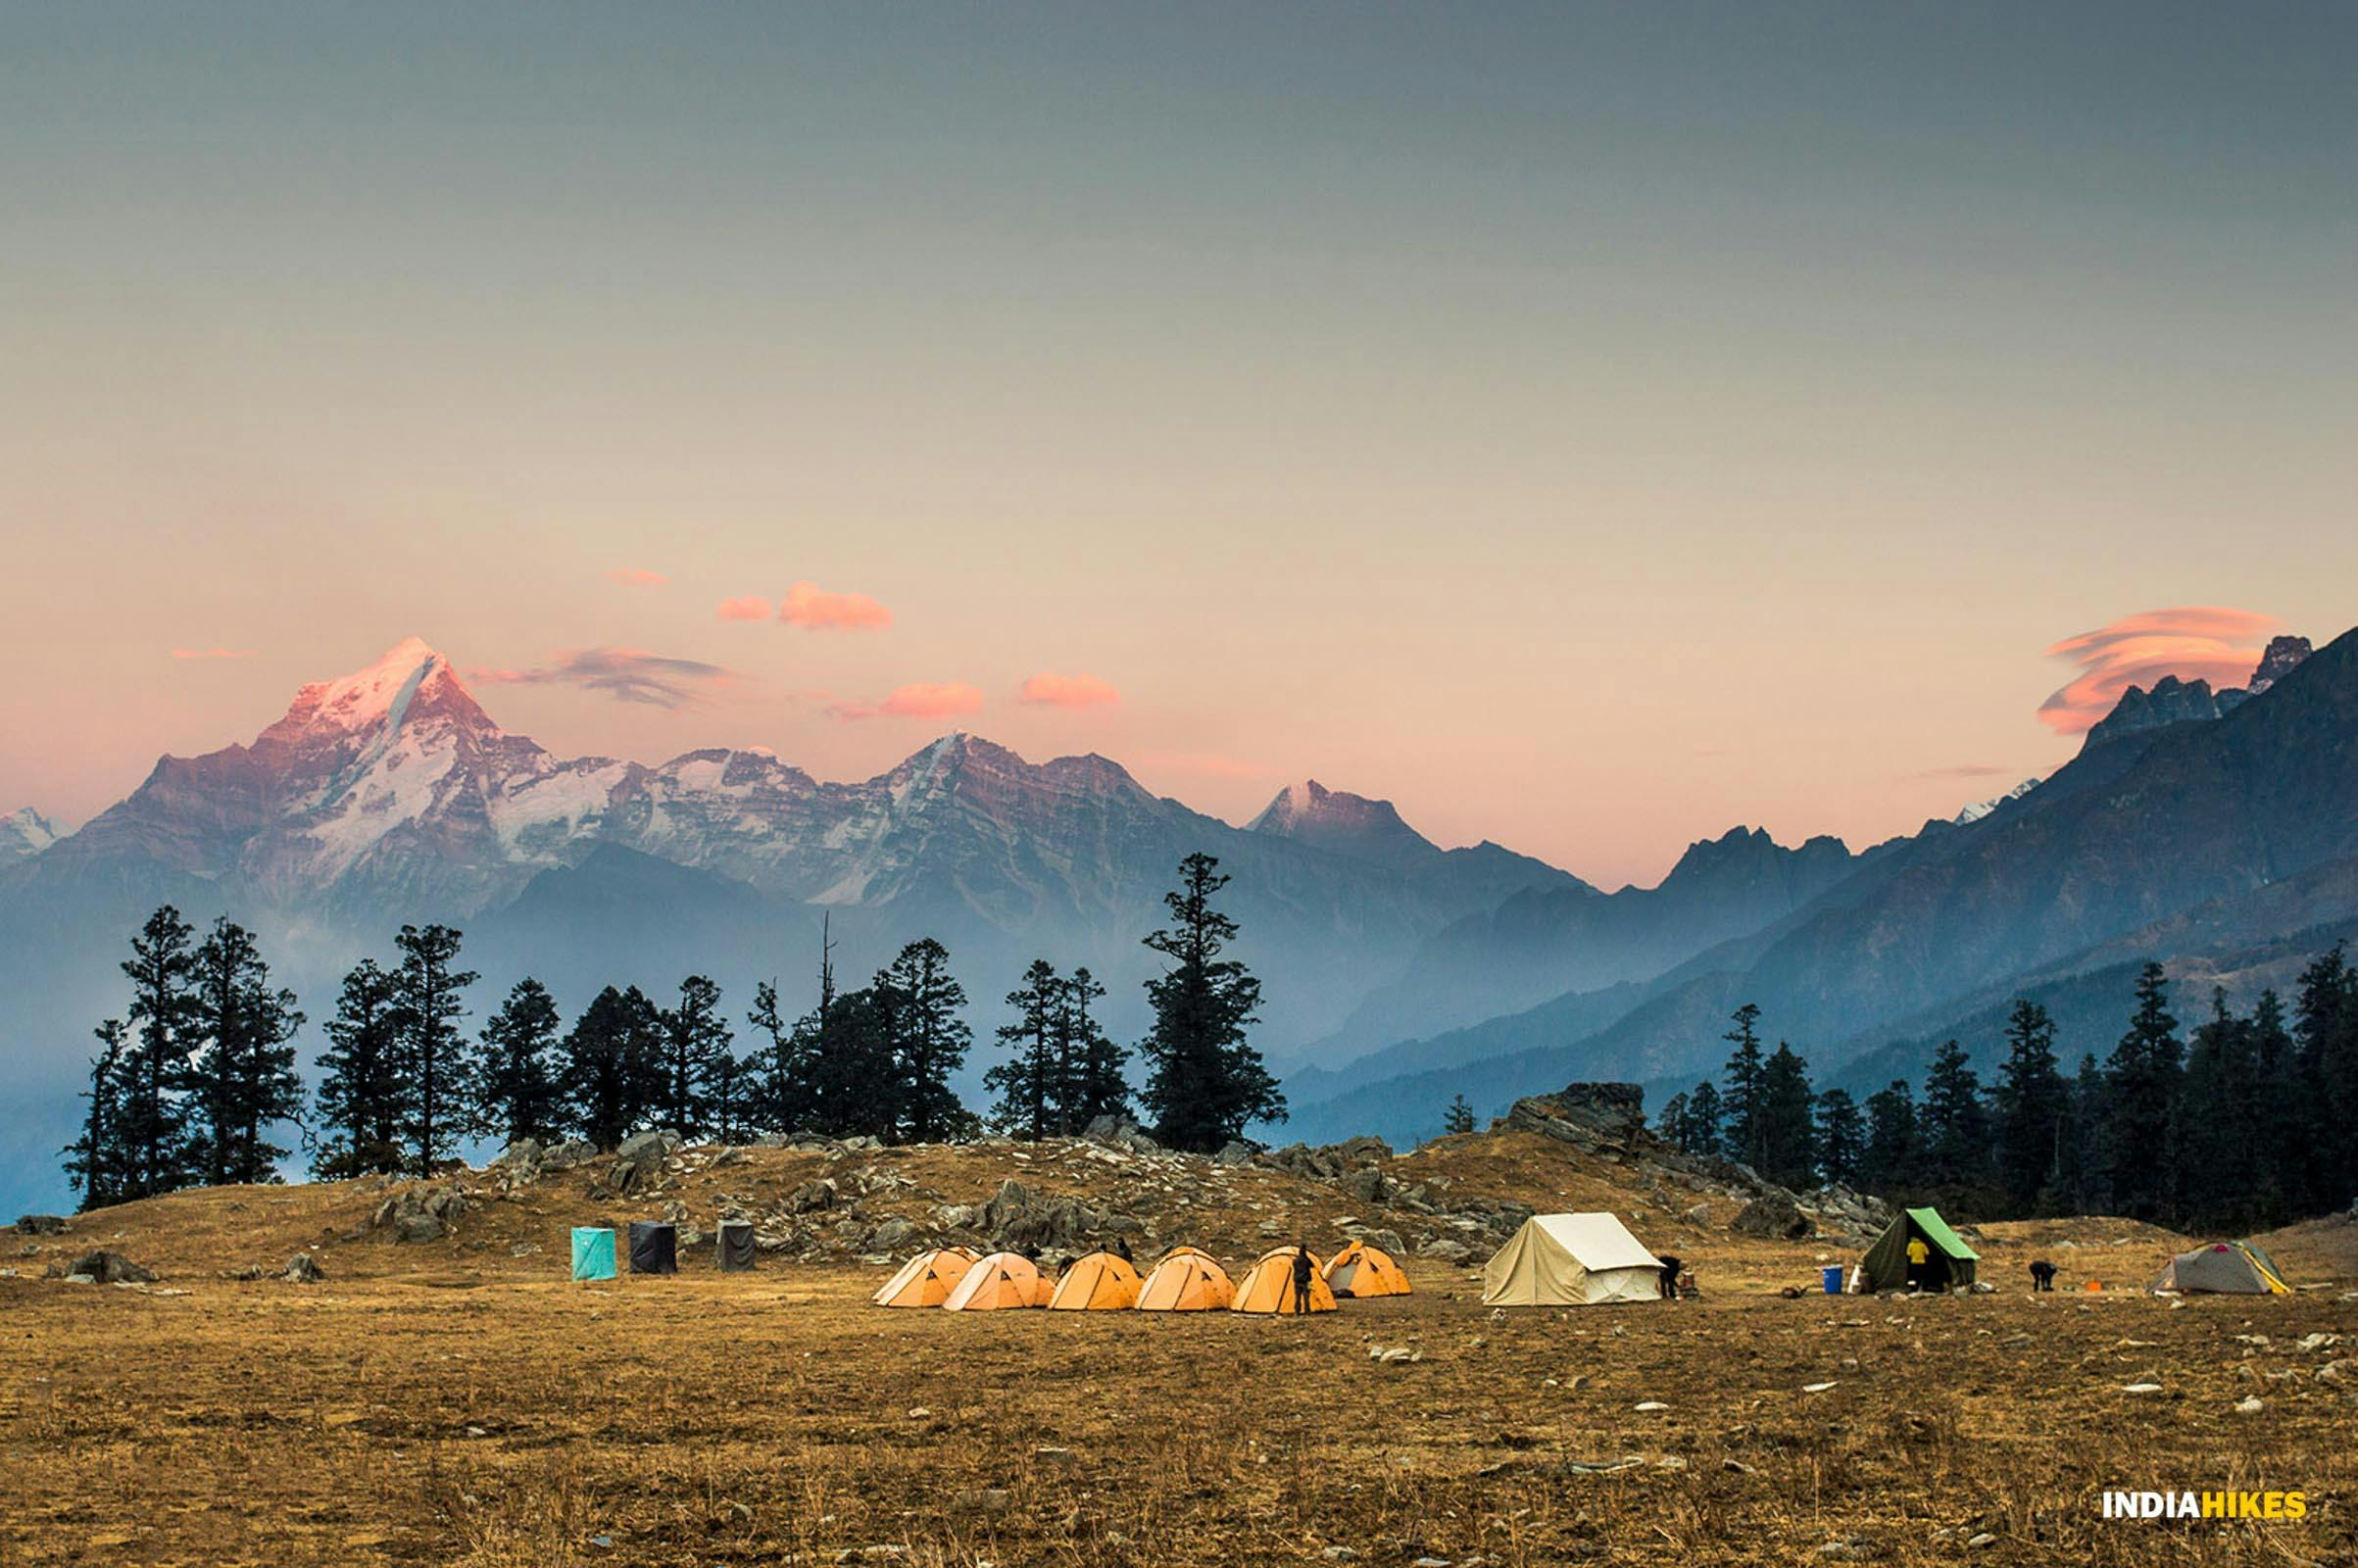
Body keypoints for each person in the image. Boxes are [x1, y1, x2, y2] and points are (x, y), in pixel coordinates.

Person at [1290, 1246, 1314, 1314]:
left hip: (1297, 1281)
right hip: (1307, 1281)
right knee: (1307, 1297)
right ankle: (1307, 1311)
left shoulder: (1295, 1260)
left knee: (1297, 1297)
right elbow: (1312, 1265)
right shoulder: (1306, 1260)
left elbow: (1294, 1265)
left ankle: (1297, 1311)